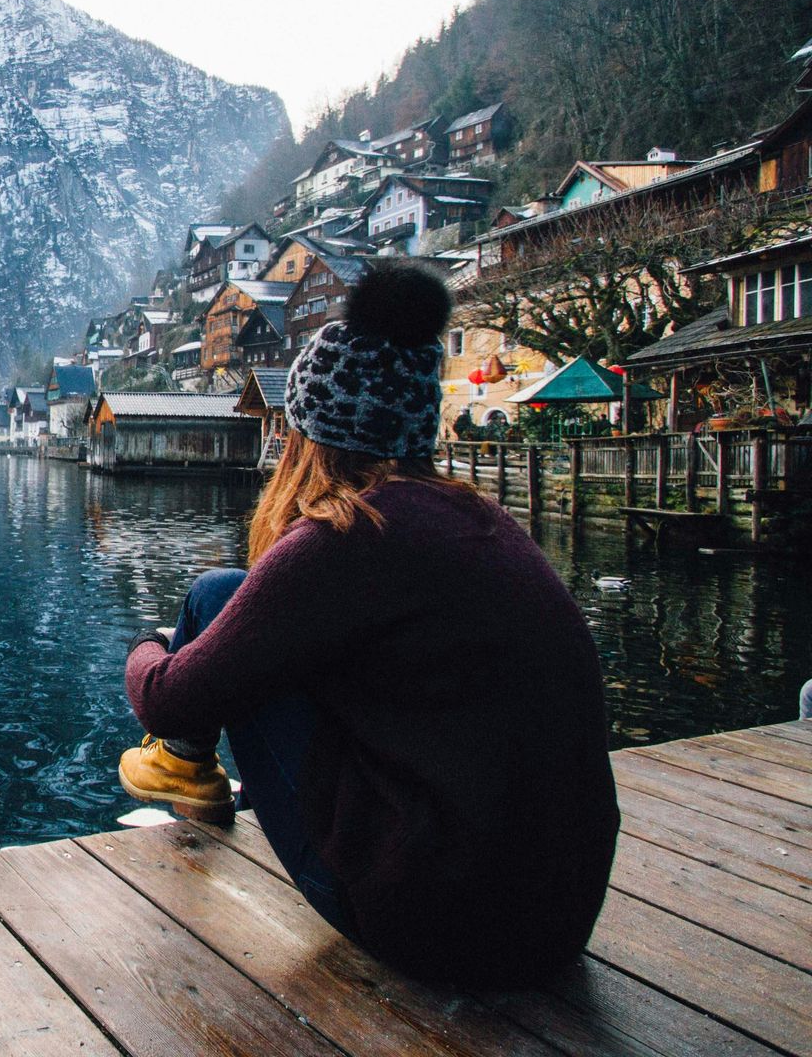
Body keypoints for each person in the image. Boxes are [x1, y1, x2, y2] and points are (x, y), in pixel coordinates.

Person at [118, 262, 619, 986]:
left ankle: (183, 764)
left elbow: (164, 695)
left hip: (438, 927)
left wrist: (149, 645)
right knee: (228, 594)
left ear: (309, 434)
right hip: (560, 915)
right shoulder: (480, 522)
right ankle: (186, 762)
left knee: (213, 615)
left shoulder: (344, 538)